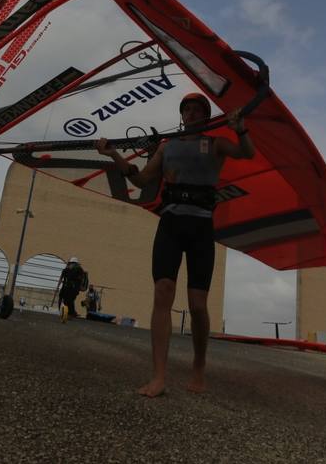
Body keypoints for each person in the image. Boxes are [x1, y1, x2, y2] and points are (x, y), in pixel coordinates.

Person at [97, 93, 254, 397]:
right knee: (162, 293)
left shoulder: (216, 143)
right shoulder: (168, 147)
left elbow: (246, 153)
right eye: (188, 110)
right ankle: (159, 376)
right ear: (182, 115)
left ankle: (198, 367)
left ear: (206, 117)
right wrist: (114, 155)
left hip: (200, 227)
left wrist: (240, 128)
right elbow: (141, 180)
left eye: (198, 110)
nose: (192, 113)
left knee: (197, 304)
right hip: (170, 224)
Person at [57, 257, 89, 323]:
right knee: (67, 300)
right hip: (67, 288)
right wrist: (58, 286)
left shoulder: (78, 270)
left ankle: (70, 314)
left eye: (72, 263)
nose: (71, 265)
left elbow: (80, 280)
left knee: (69, 300)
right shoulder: (67, 270)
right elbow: (61, 277)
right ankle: (69, 313)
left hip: (72, 289)